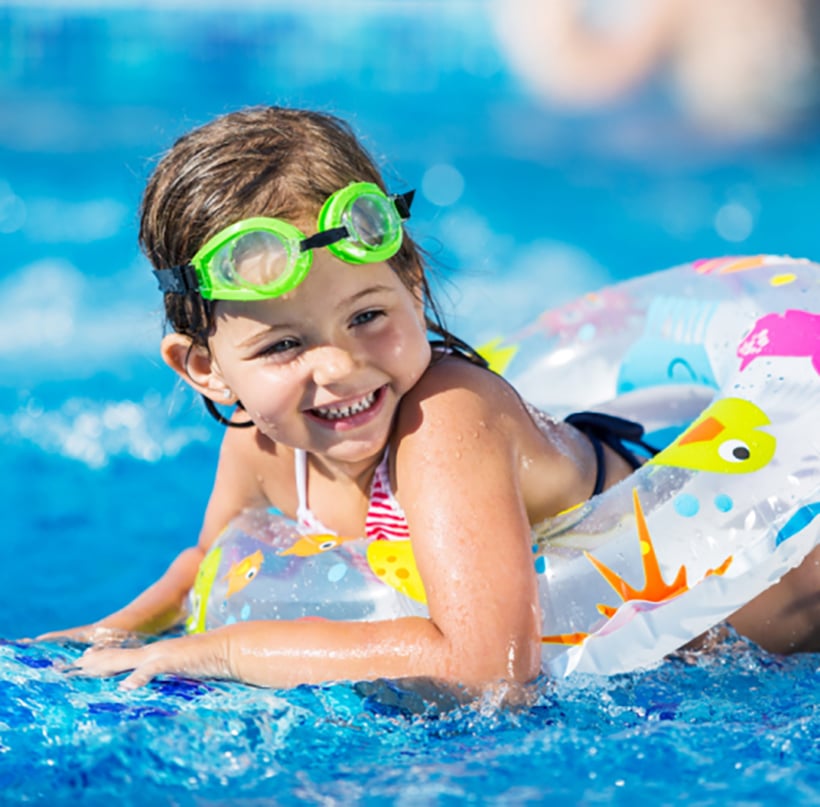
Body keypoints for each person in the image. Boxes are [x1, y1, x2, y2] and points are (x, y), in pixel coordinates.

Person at [40, 106, 819, 690]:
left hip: (781, 603)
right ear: (203, 368)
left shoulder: (445, 424)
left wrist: (228, 650)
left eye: (368, 316)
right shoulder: (259, 447)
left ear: (413, 288)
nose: (341, 366)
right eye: (283, 345)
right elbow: (209, 565)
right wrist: (111, 635)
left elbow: (491, 673)